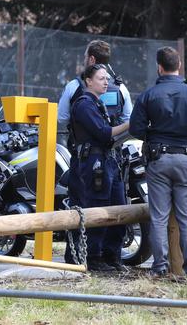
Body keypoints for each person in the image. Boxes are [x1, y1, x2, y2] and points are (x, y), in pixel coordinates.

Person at [129, 46, 187, 278]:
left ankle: (159, 268)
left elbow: (136, 128)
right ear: (179, 66)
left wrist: (153, 136)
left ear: (159, 67)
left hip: (158, 160)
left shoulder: (148, 96)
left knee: (158, 216)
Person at [57, 40, 133, 265]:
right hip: (111, 156)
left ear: (90, 59)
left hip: (88, 158)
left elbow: (62, 118)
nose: (106, 82)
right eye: (102, 79)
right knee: (112, 206)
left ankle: (82, 257)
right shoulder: (121, 88)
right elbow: (126, 119)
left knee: (83, 207)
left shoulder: (75, 87)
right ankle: (107, 257)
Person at [70, 64, 130, 272]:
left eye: (107, 79)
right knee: (99, 210)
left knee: (120, 210)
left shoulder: (98, 103)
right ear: (88, 81)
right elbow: (104, 133)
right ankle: (94, 258)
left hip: (110, 161)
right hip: (95, 164)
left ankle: (112, 256)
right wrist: (130, 125)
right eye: (101, 78)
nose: (106, 82)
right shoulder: (84, 104)